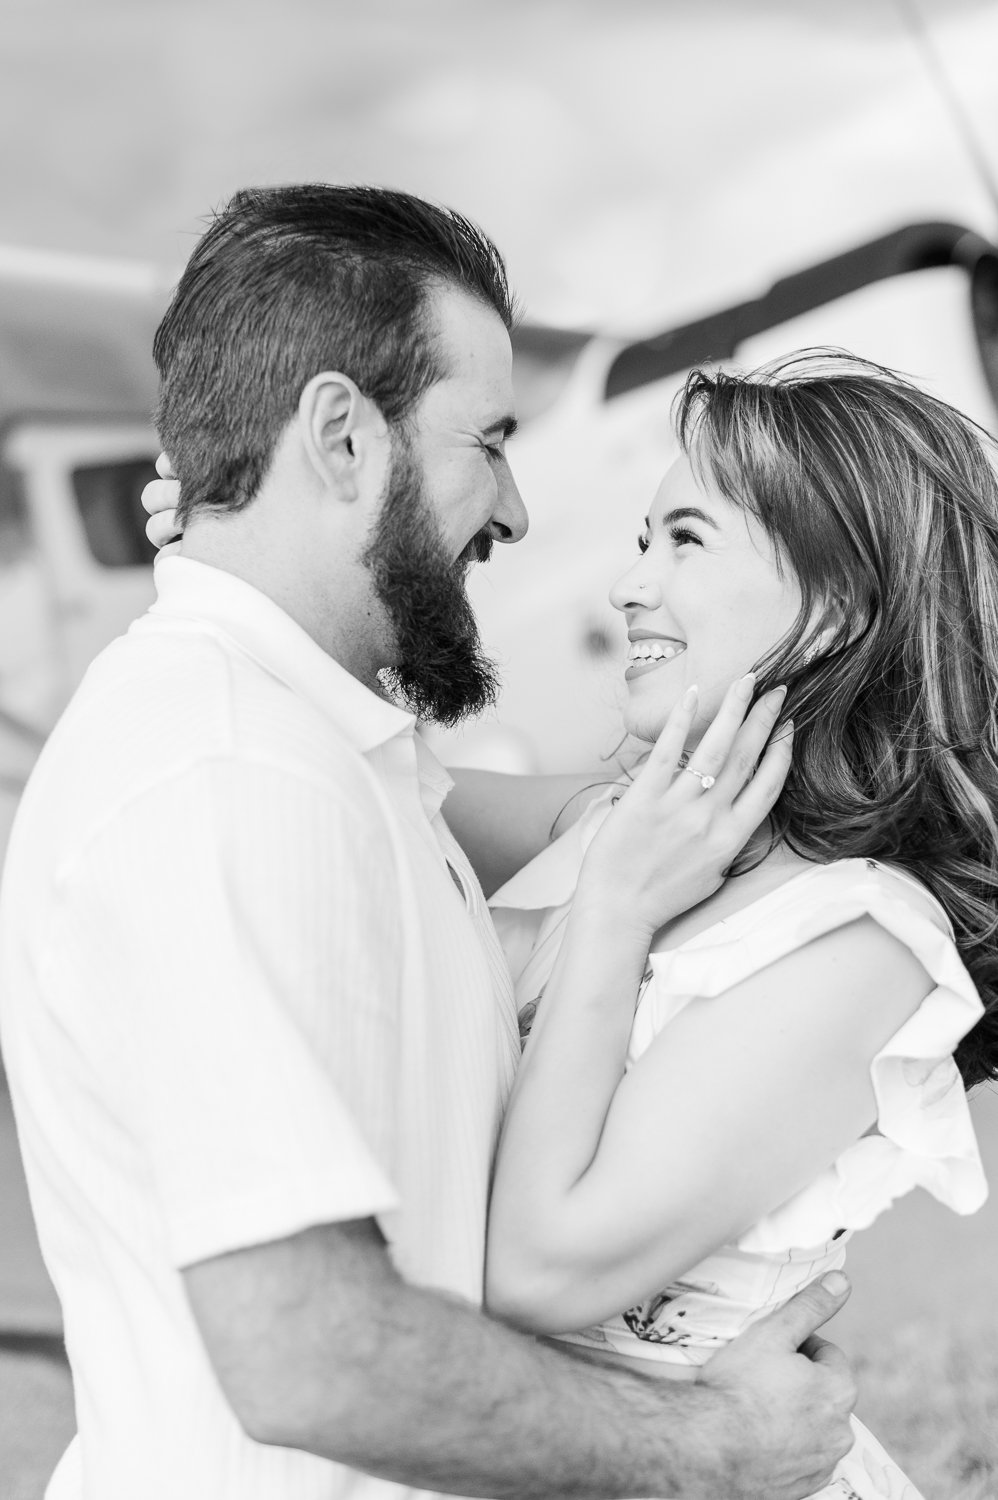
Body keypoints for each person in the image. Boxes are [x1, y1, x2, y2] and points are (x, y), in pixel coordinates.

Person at [0, 185, 856, 1500]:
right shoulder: (226, 780)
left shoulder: (328, 759)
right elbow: (309, 1356)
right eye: (490, 442)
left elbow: (474, 963)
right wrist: (717, 1450)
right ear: (341, 436)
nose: (514, 511)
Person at [479, 356, 996, 1498]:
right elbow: (352, 780)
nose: (628, 584)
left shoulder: (856, 943)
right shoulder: (624, 823)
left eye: (685, 540)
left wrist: (612, 914)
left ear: (835, 609)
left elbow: (539, 1270)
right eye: (640, 539)